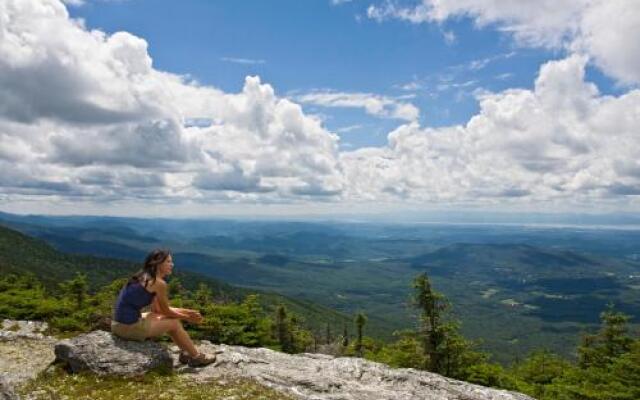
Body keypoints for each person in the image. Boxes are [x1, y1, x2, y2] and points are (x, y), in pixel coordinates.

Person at [111, 248, 216, 367]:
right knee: (174, 323)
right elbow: (166, 311)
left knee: (159, 316)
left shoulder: (144, 276)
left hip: (118, 325)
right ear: (157, 263)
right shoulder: (158, 283)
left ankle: (186, 352)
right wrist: (187, 317)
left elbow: (158, 310)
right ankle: (196, 357)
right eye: (168, 262)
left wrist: (188, 312)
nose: (172, 265)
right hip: (128, 328)